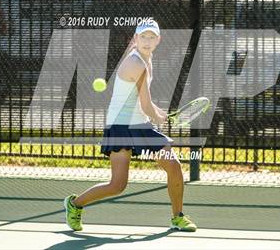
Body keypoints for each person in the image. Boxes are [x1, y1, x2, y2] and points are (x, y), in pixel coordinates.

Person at [64, 20, 197, 232]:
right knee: (117, 185)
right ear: (135, 39)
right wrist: (157, 117)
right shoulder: (137, 64)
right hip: (120, 126)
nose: (147, 41)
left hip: (139, 124)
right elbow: (145, 105)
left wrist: (158, 113)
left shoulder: (147, 58)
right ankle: (75, 204)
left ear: (158, 40)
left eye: (151, 37)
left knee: (173, 165)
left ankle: (177, 217)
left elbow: (142, 100)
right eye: (143, 36)